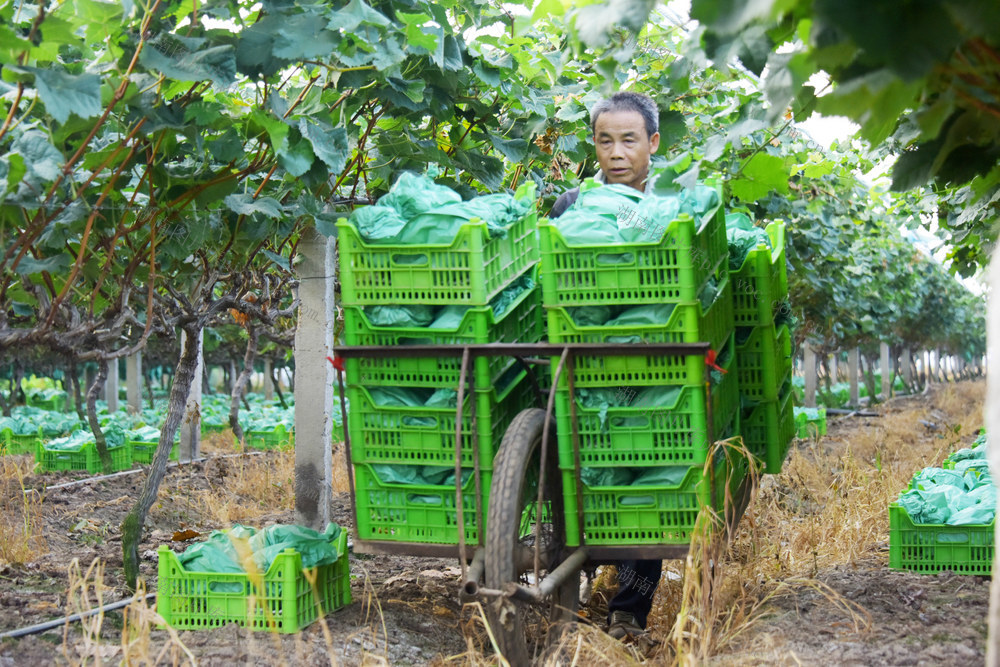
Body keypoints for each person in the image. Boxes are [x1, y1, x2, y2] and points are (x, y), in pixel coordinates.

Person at [548, 91, 663, 640]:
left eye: (629, 140)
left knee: (649, 479)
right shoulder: (571, 206)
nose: (616, 152)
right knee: (582, 472)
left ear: (652, 144)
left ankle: (629, 611)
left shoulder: (670, 212)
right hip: (584, 365)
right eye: (604, 140)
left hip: (651, 370)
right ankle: (577, 566)